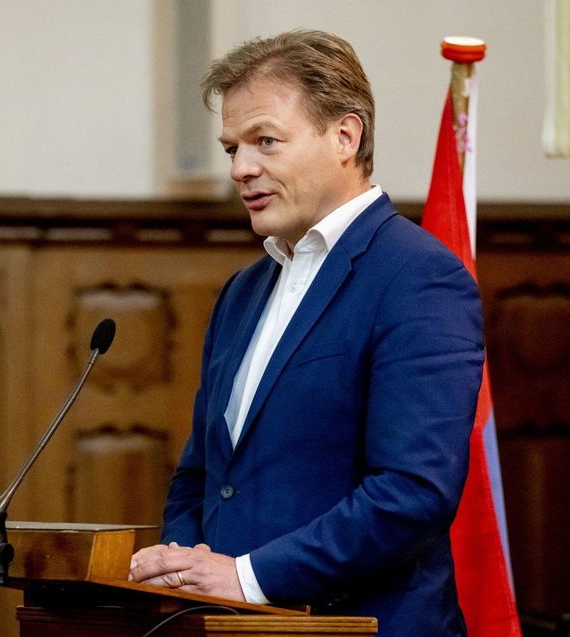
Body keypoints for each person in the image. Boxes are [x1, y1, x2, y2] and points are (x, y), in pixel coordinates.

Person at [128, 29, 484, 637]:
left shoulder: (420, 277)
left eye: (265, 141)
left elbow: (413, 494)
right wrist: (182, 567)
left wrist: (245, 577)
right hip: (227, 627)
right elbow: (202, 475)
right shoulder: (243, 291)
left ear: (345, 136)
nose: (241, 169)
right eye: (231, 148)